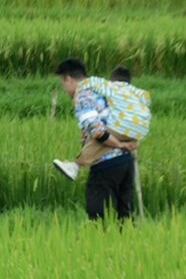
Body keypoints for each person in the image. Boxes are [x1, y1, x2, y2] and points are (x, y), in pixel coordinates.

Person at [53, 60, 148, 221]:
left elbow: (95, 128)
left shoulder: (83, 94)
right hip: (126, 160)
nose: (64, 88)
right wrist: (126, 144)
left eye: (63, 83)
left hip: (106, 162)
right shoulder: (104, 89)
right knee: (125, 215)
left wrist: (118, 144)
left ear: (69, 79)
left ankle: (75, 166)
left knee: (96, 213)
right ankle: (128, 244)